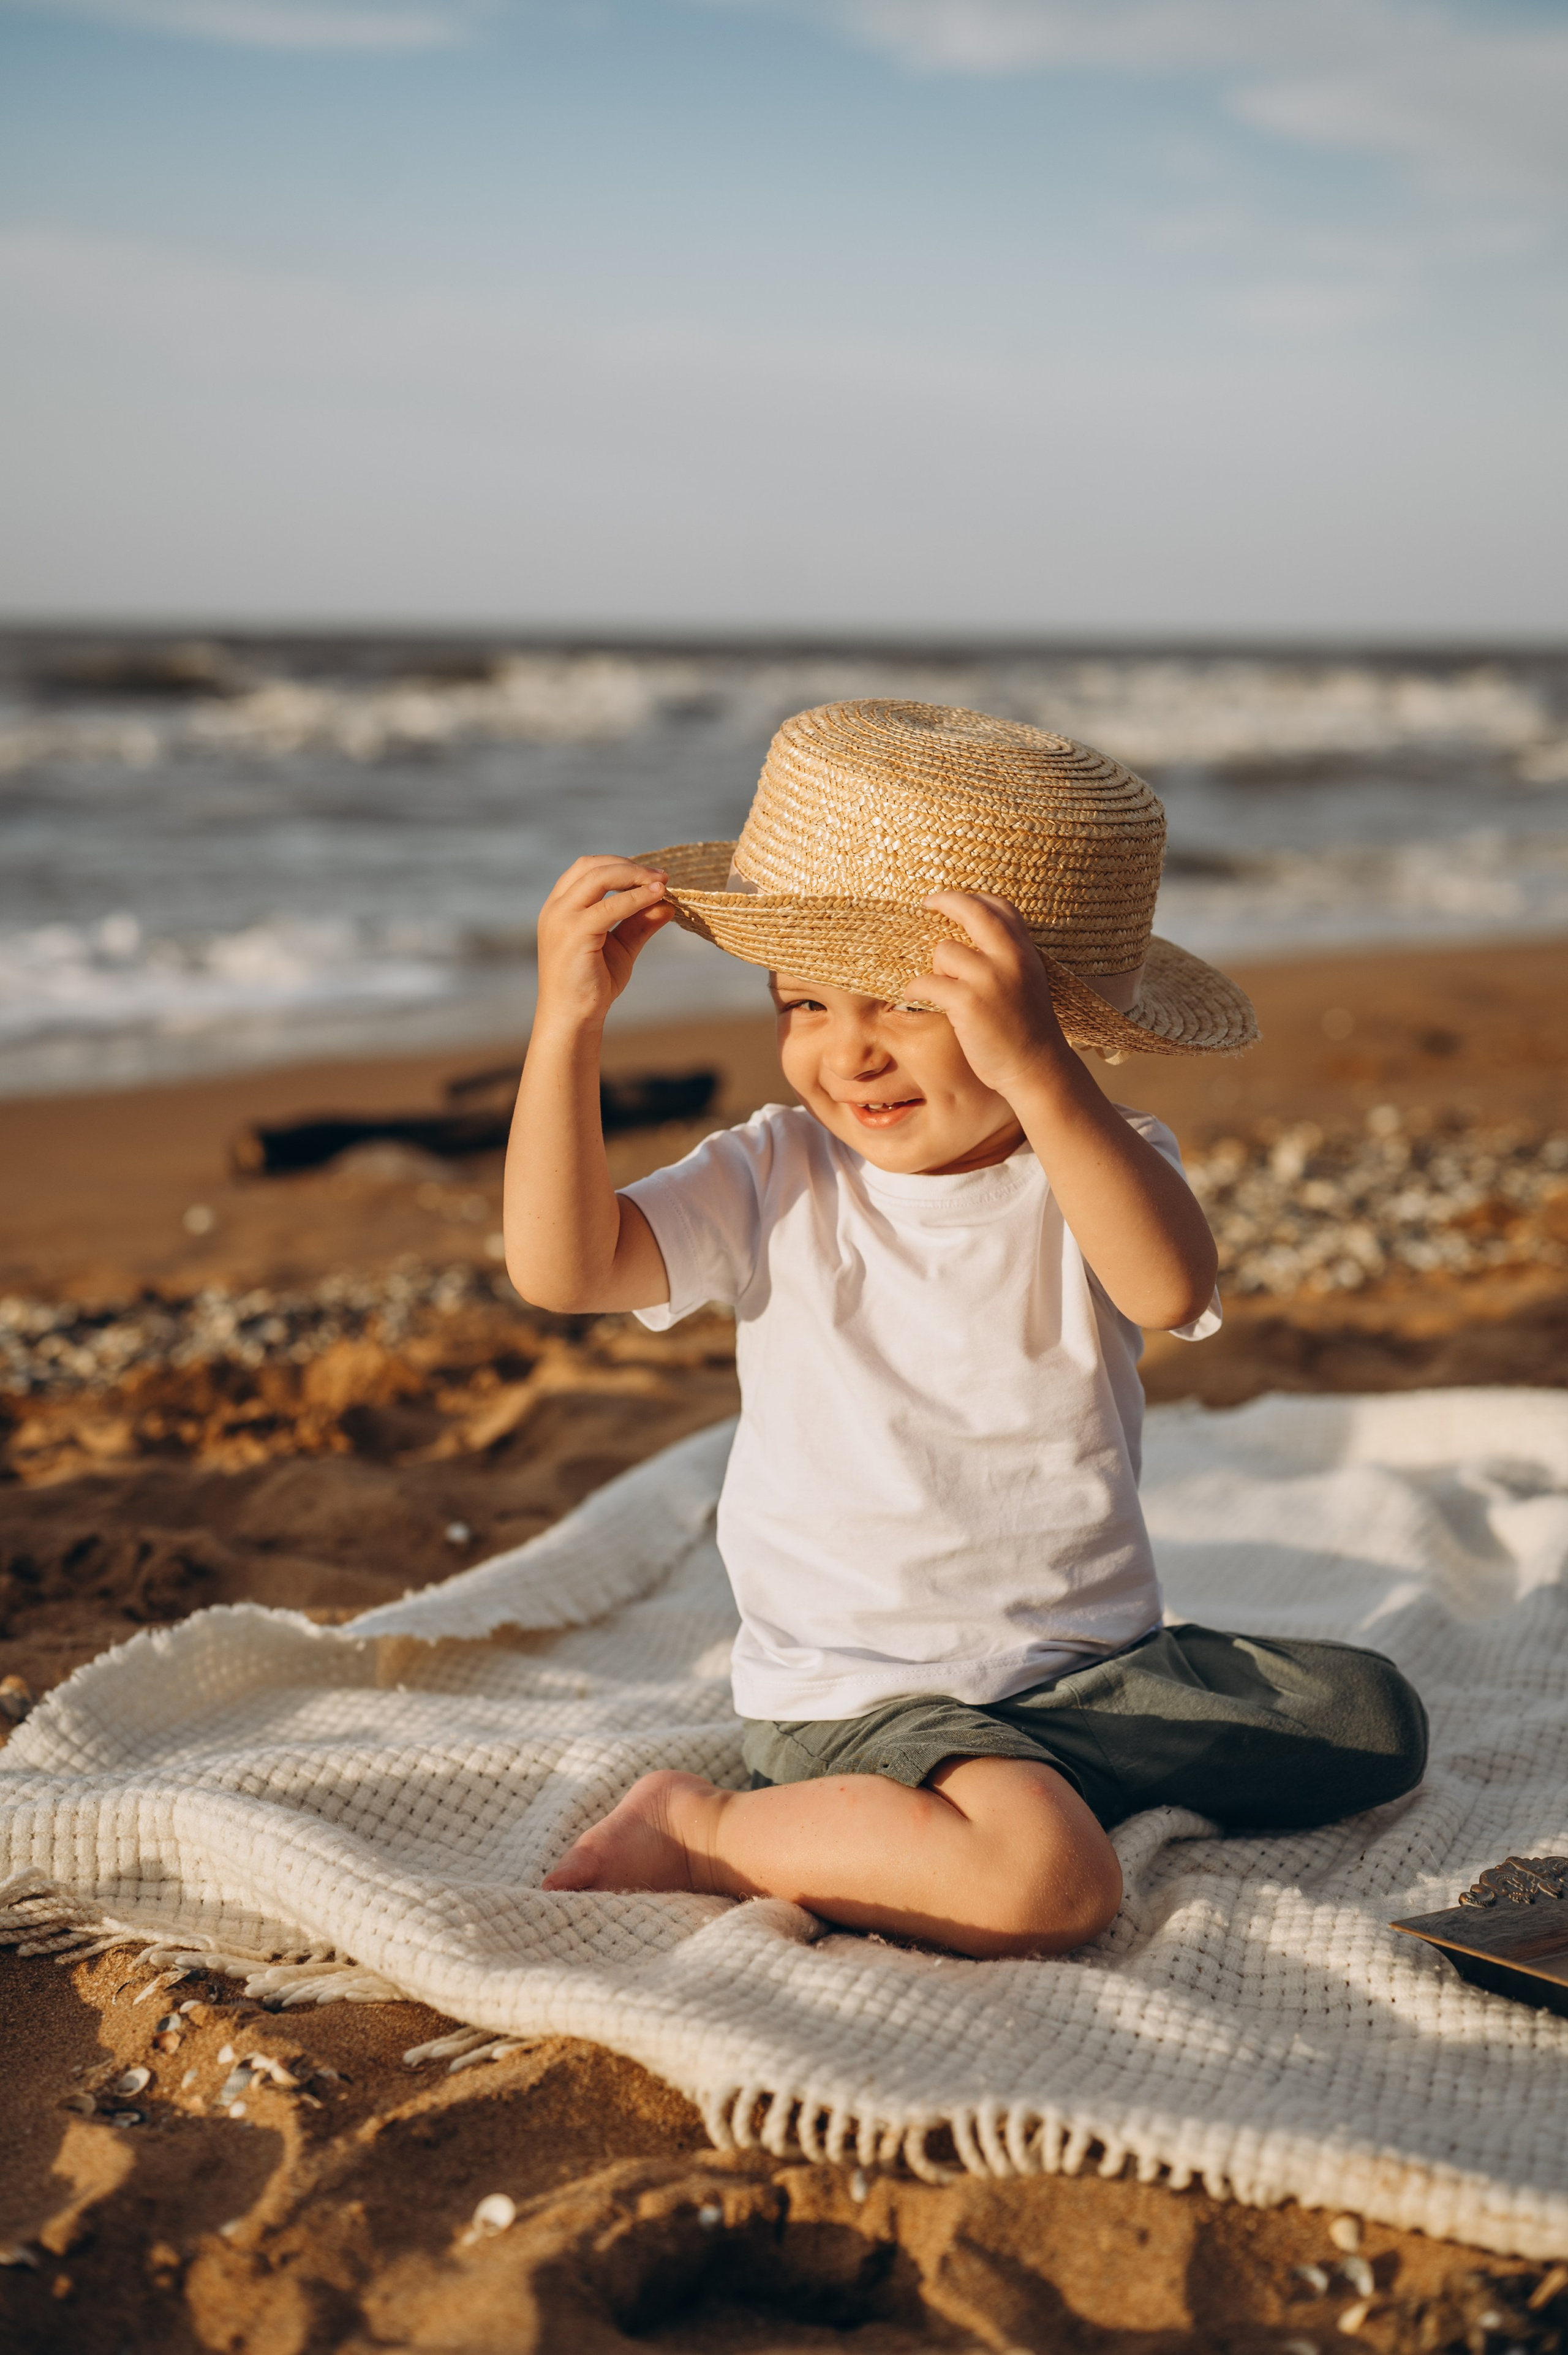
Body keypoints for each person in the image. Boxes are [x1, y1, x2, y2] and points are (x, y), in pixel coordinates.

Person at [505, 701, 1427, 1959]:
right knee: (1050, 1884)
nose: (847, 1055)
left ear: (1039, 1018)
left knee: (1376, 1720)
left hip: (1091, 1673)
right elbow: (565, 1266)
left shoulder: (1089, 1160)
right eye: (803, 1004)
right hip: (866, 1693)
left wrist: (1042, 1074)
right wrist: (566, 1029)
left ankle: (1029, 1781)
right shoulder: (773, 1172)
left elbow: (1167, 1285)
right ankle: (708, 1826)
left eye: (900, 1003)